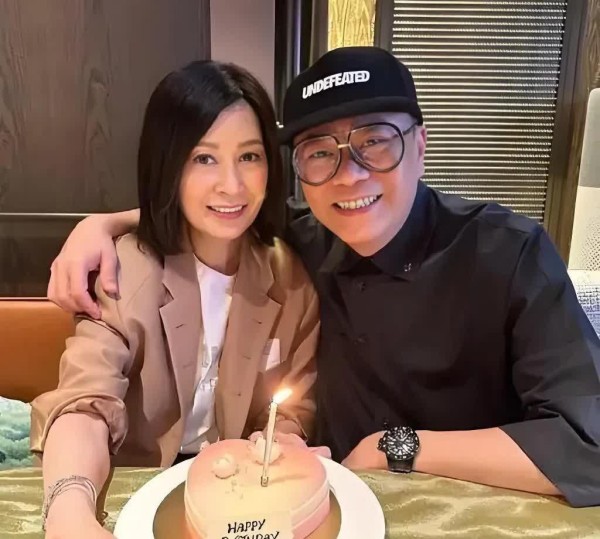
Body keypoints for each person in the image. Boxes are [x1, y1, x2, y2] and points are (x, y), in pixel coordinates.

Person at [47, 47, 600, 507]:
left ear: (420, 144)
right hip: (327, 503)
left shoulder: (507, 253)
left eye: (375, 141)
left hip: (468, 508)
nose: (350, 176)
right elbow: (217, 213)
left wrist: (398, 447)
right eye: (319, 153)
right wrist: (100, 225)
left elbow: (589, 444)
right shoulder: (300, 244)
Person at [30, 60, 320, 538]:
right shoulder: (125, 271)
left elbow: (290, 409)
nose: (232, 185)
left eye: (249, 156)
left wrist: (281, 444)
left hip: (234, 502)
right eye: (204, 158)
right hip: (133, 490)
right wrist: (69, 508)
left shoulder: (290, 279)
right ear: (168, 164)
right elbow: (85, 404)